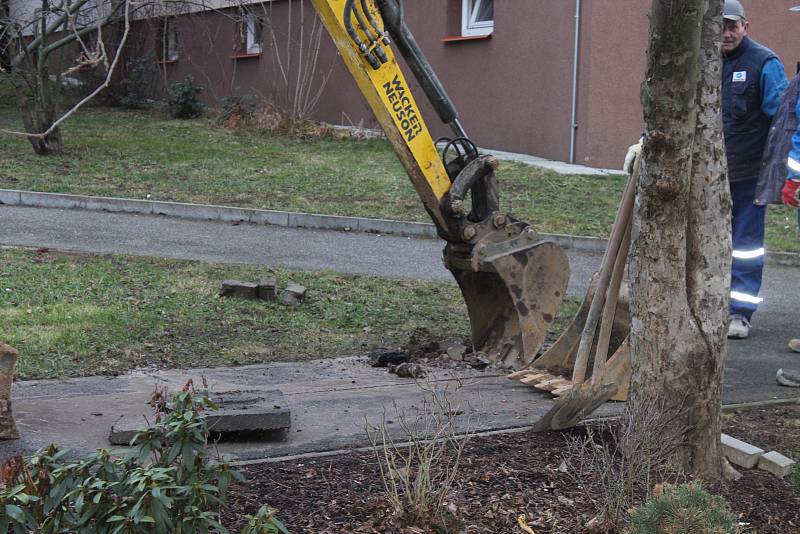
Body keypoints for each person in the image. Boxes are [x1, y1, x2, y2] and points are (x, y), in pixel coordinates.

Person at [720, 0, 787, 338]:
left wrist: (786, 170)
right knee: (707, 244)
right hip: (707, 178)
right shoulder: (699, 63)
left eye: (732, 26)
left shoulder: (764, 63)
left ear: (746, 26)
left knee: (746, 247)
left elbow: (786, 120)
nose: (726, 33)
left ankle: (740, 314)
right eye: (720, 26)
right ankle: (708, 307)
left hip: (748, 176)